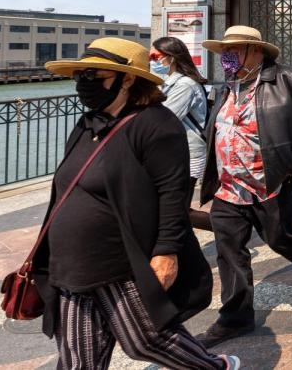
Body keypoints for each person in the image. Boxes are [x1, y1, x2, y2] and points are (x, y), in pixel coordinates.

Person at [36, 38, 236, 369]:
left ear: (127, 79)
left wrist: (166, 252)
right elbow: (65, 188)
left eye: (94, 76)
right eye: (80, 77)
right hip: (70, 264)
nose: (85, 85)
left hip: (118, 260)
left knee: (145, 339)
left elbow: (172, 195)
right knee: (77, 358)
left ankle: (216, 367)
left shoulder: (155, 123)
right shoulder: (87, 124)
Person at [195, 26, 292, 348]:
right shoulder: (226, 88)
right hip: (229, 187)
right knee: (229, 250)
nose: (226, 58)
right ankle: (235, 318)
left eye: (233, 51)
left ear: (255, 50)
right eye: (223, 52)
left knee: (279, 238)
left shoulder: (288, 80)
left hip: (271, 182)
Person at [150, 36, 212, 230]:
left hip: (188, 154)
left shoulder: (185, 85)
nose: (151, 61)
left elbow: (164, 118)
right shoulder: (169, 83)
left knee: (177, 210)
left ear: (171, 57)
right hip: (175, 153)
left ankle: (230, 227)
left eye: (155, 56)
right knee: (175, 209)